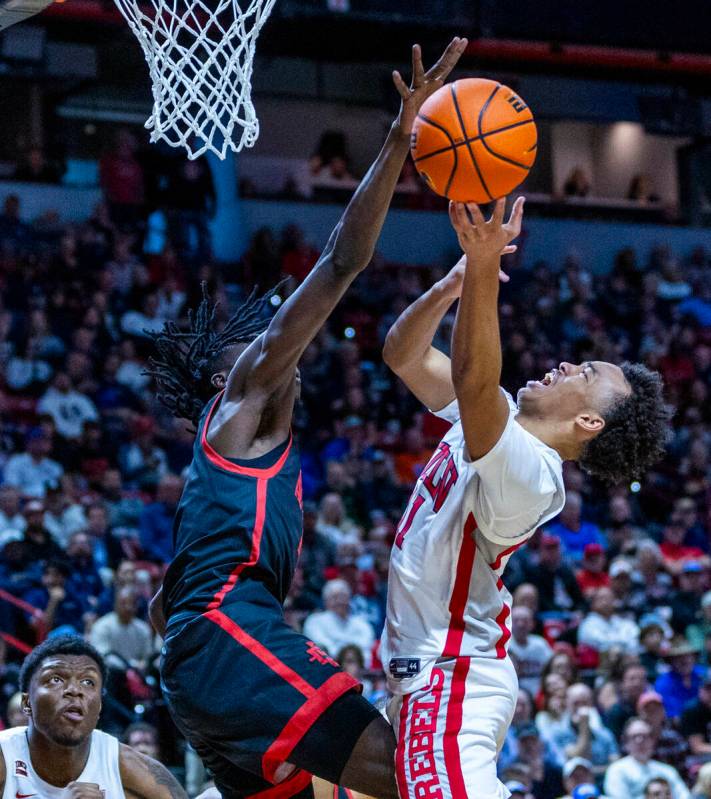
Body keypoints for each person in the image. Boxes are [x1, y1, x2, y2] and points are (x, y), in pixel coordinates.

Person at [147, 38, 469, 799]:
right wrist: (396, 141)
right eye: (254, 336)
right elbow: (339, 262)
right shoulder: (246, 396)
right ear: (228, 372)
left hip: (208, 662)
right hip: (227, 641)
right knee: (411, 773)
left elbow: (165, 603)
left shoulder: (232, 458)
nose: (272, 336)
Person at [379, 187, 669, 799]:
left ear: (589, 424)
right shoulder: (499, 416)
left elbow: (472, 378)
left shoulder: (534, 473)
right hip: (419, 678)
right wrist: (454, 283)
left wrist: (486, 267)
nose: (567, 366)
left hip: (452, 678)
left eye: (585, 376)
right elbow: (402, 353)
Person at [0, 635, 187, 797]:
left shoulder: (130, 769)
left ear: (99, 708)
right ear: (27, 703)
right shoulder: (5, 757)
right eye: (56, 679)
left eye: (88, 682)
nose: (74, 690)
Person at [603, 718, 690, 799]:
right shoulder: (617, 770)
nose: (640, 741)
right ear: (626, 743)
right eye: (634, 737)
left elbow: (684, 796)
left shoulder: (667, 771)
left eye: (644, 736)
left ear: (653, 741)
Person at [302, 579, 375, 667]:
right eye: (335, 597)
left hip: (361, 672)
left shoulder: (362, 624)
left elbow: (366, 649)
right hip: (328, 671)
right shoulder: (314, 621)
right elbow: (322, 648)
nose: (340, 600)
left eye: (343, 596)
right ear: (325, 601)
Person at [508, 605, 553, 695]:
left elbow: (551, 667)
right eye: (516, 620)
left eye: (525, 621)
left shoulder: (540, 643)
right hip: (512, 691)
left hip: (541, 693)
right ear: (509, 622)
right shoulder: (504, 644)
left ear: (532, 624)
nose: (521, 624)